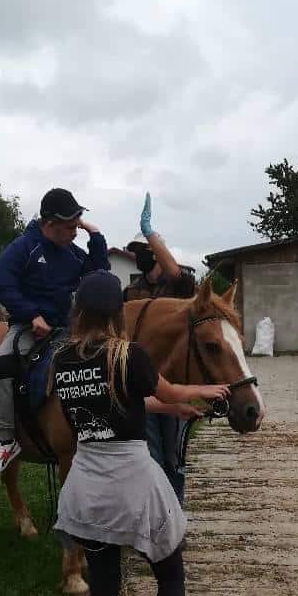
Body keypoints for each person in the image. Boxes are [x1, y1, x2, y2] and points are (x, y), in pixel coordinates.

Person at [53, 271, 229, 596]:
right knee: (170, 574)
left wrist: (172, 408)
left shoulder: (64, 359)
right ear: (118, 313)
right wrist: (202, 391)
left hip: (86, 486)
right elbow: (162, 387)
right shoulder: (127, 353)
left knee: (105, 587)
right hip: (130, 480)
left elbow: (123, 398)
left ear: (78, 313)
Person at [0, 188, 109, 476]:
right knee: (2, 364)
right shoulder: (23, 248)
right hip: (29, 326)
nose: (74, 233)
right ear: (50, 224)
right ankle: (5, 440)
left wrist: (96, 237)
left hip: (68, 326)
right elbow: (3, 285)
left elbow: (97, 276)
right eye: (69, 228)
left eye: (76, 226)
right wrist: (31, 314)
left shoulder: (72, 253)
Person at [123, 193, 196, 503]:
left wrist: (150, 233)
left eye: (143, 251)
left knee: (173, 458)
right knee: (149, 457)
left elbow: (177, 273)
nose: (138, 256)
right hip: (143, 385)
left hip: (174, 382)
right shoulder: (130, 291)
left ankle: (174, 513)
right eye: (137, 251)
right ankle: (155, 517)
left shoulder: (178, 284)